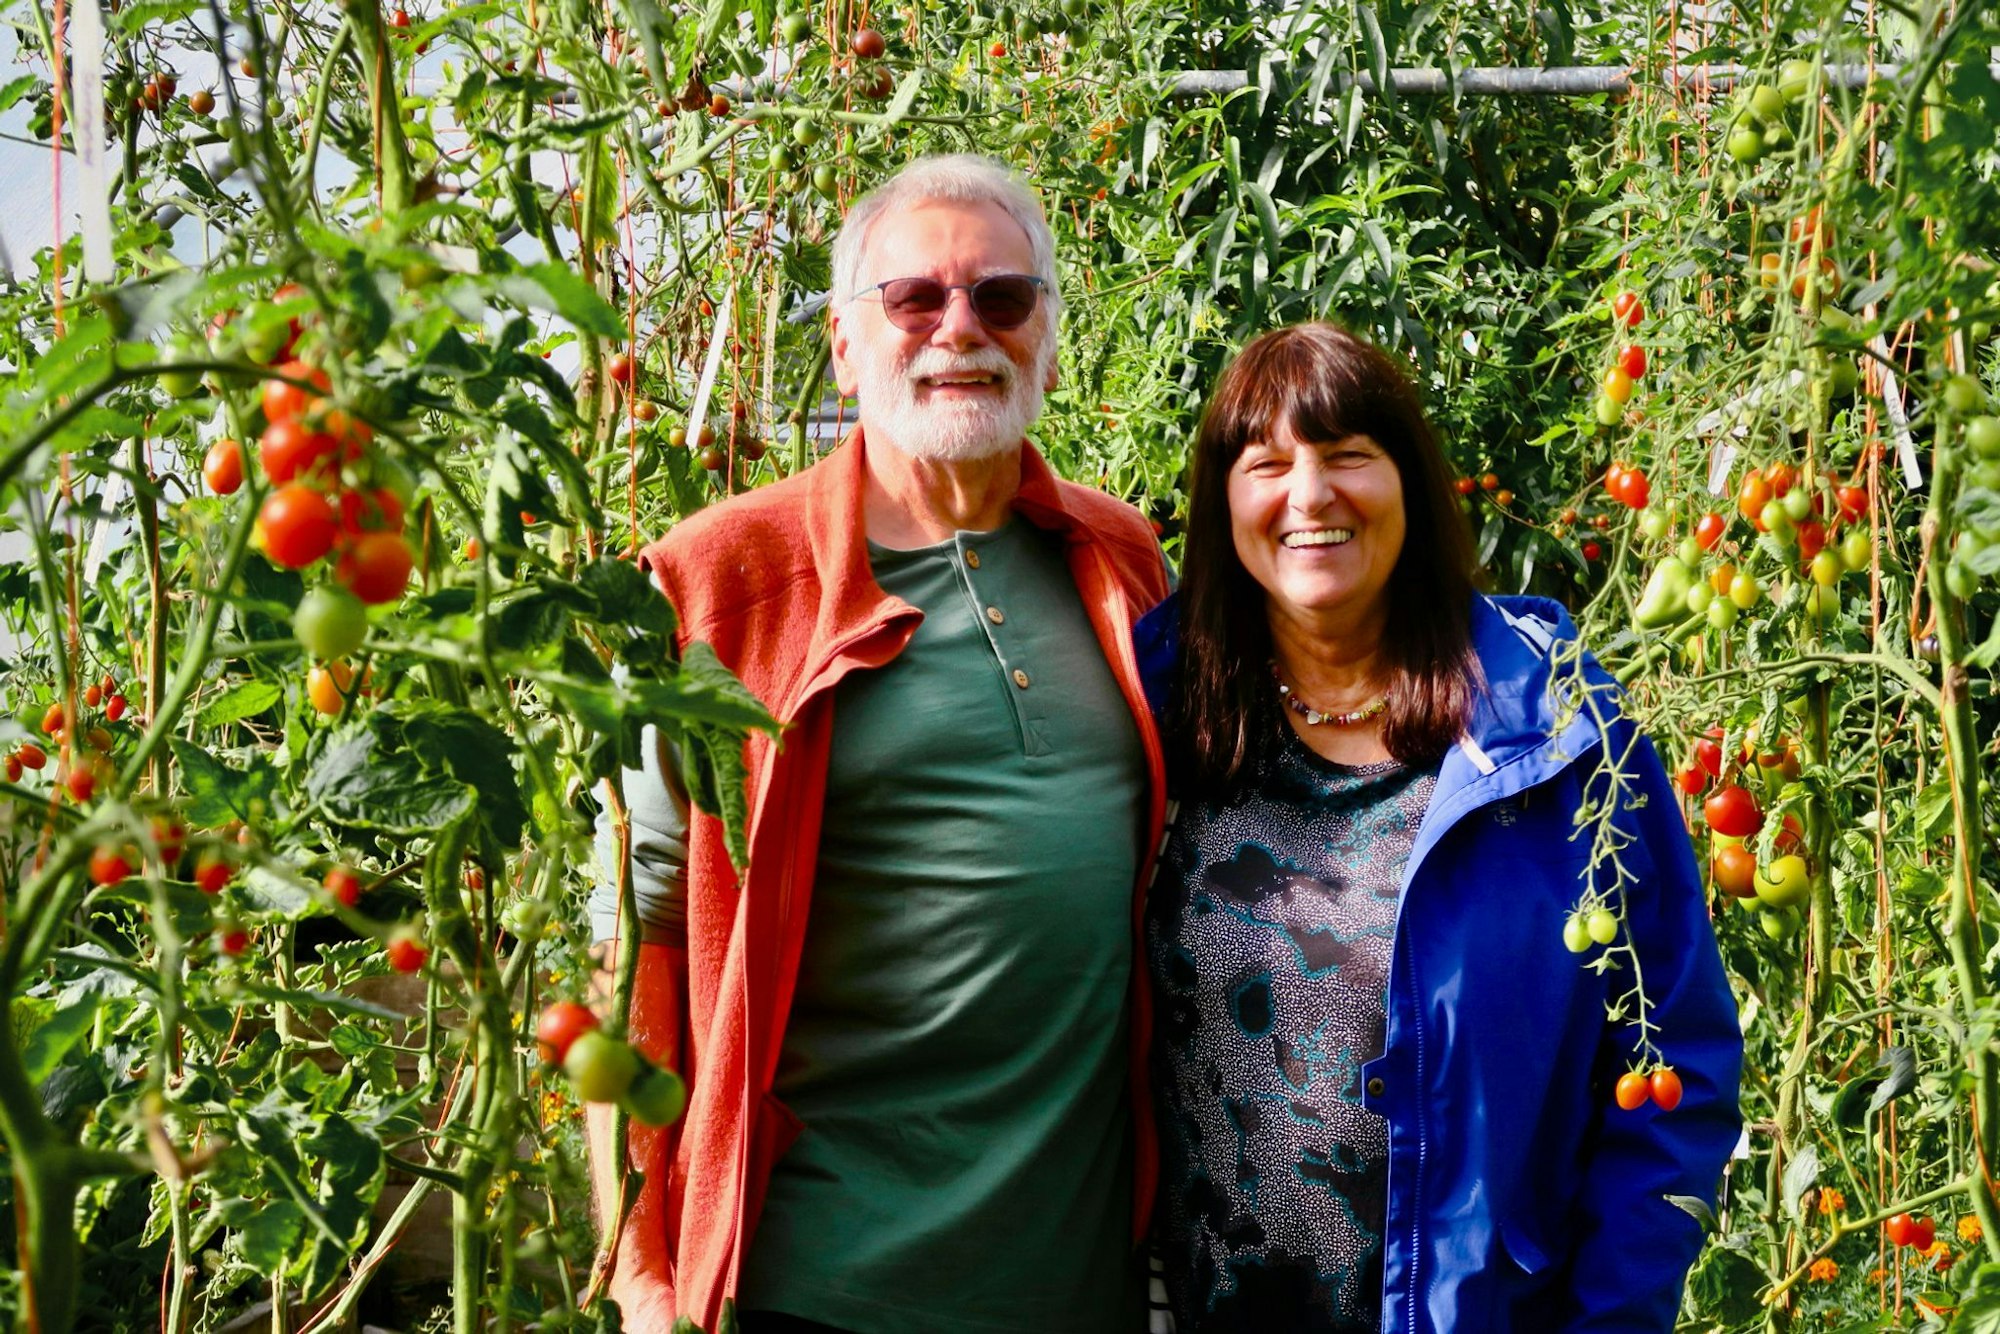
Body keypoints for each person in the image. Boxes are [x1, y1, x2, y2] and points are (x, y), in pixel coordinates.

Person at [587, 155, 1172, 1334]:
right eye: (914, 298)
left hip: (1078, 1285)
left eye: (1001, 298)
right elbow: (637, 939)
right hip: (819, 1287)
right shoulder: (721, 586)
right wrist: (642, 1271)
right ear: (848, 345)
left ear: (1046, 337)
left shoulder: (1118, 564)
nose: (960, 328)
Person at [1133, 322, 1742, 1332]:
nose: (1308, 495)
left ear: (1408, 482)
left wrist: (1610, 1316)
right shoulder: (1161, 715)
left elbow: (1671, 1062)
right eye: (1267, 463)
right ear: (1221, 503)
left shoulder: (1552, 735)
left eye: (1346, 456)